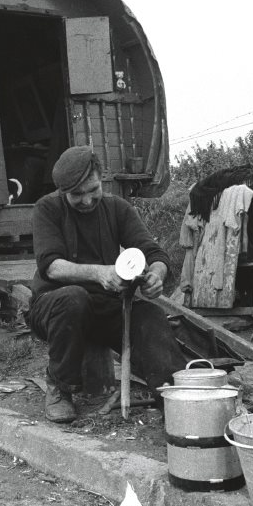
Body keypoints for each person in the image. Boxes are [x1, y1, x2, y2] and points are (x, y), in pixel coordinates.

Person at [27, 145, 189, 423]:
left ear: (102, 179)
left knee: (150, 315)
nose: (88, 200)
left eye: (93, 190)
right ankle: (59, 388)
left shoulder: (117, 208)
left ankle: (174, 399)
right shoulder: (47, 208)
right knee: (73, 299)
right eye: (77, 195)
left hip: (106, 307)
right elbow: (51, 266)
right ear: (63, 192)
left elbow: (154, 253)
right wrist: (98, 273)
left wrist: (156, 275)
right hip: (53, 307)